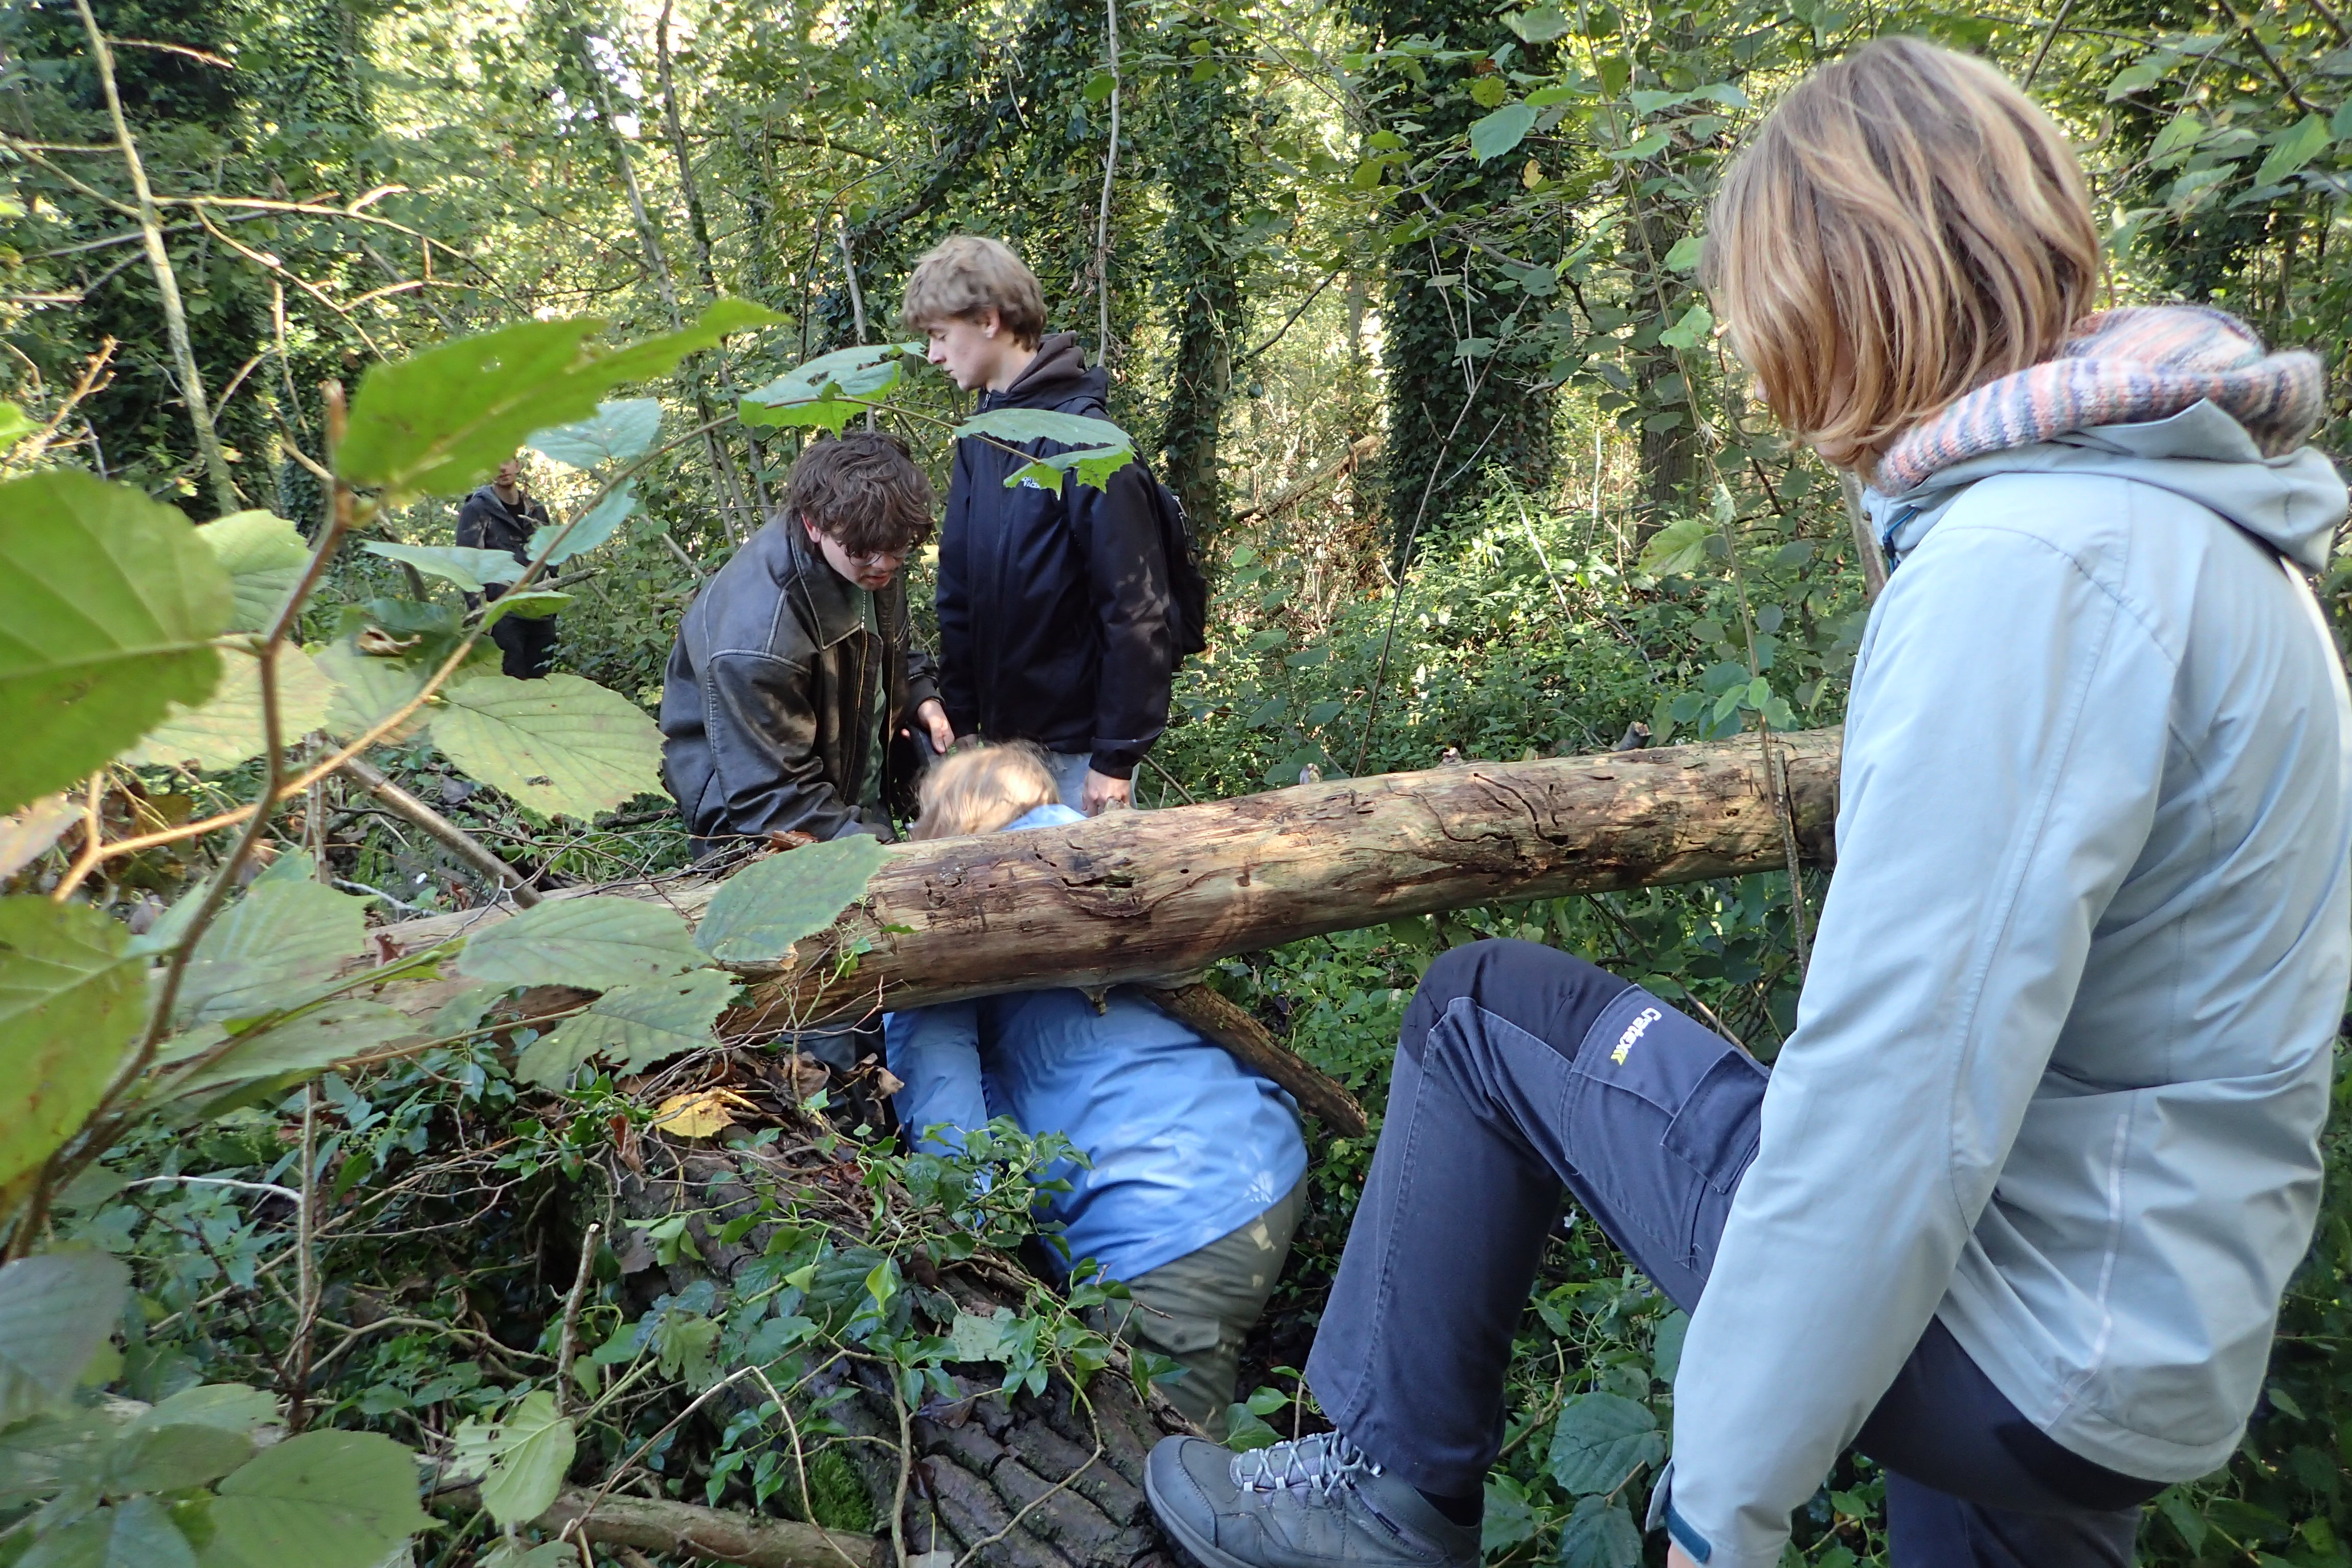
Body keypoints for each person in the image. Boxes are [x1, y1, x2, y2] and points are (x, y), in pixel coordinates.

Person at [1142, 38, 2350, 1568]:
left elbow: (1899, 1091)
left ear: (1849, 299)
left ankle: (1385, 1493)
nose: (1773, 388)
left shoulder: (2030, 569)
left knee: (1480, 1011)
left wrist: (1721, 1503)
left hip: (2026, 1325)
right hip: (2144, 1319)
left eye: (1772, 328)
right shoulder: (2209, 533)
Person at [887, 742, 1308, 1435]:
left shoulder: (945, 920)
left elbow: (948, 1131)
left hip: (1162, 1228)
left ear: (946, 824)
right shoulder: (1115, 859)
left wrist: (978, 1257)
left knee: (1169, 1467)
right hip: (1264, 1156)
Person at [900, 235, 1176, 816]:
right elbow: (960, 588)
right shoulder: (981, 437)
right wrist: (965, 718)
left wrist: (1115, 759)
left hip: (1081, 754)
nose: (934, 355)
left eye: (940, 335)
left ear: (988, 320)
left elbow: (1135, 610)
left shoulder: (1089, 444)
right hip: (1001, 750)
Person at [659, 428, 954, 853]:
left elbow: (881, 647)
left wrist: (921, 695)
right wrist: (883, 853)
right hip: (766, 833)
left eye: (899, 549)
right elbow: (772, 798)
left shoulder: (868, 542)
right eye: (865, 551)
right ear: (813, 525)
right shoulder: (758, 639)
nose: (884, 565)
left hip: (848, 802)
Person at [455, 455, 558, 678]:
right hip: (503, 613)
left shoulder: (536, 510)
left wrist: (552, 602)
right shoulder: (477, 509)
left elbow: (551, 555)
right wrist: (483, 618)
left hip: (540, 612)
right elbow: (467, 564)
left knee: (543, 683)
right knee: (511, 681)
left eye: (506, 461)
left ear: (517, 465)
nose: (501, 468)